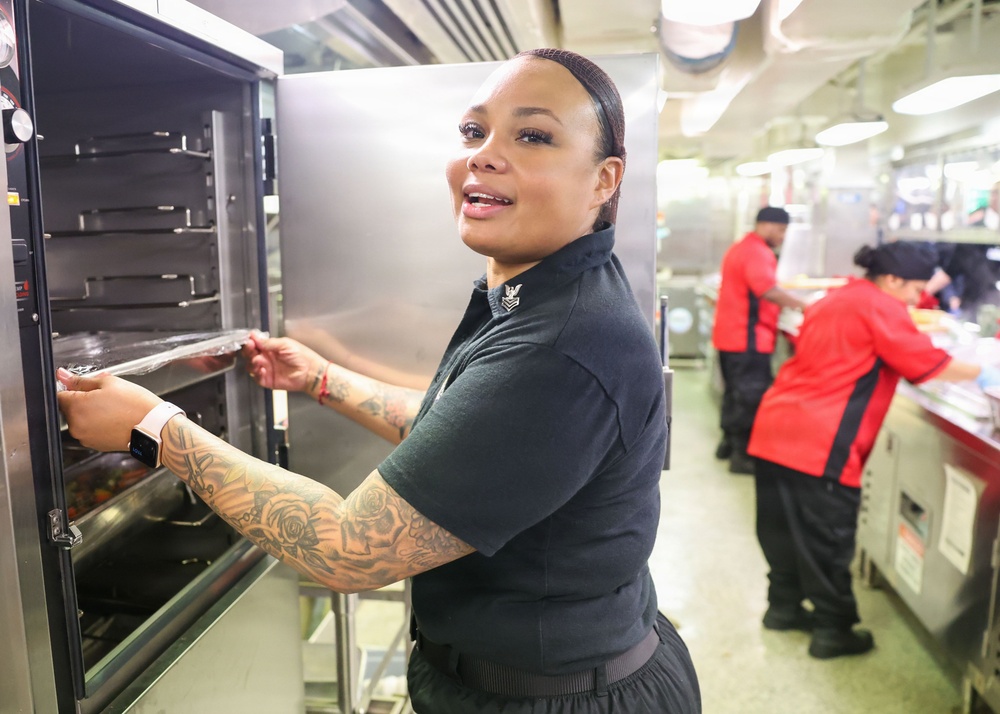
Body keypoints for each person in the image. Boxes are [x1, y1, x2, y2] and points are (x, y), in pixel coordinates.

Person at [57, 49, 700, 714]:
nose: (484, 155)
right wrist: (319, 379)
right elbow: (461, 432)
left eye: (532, 135)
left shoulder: (564, 344)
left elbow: (347, 551)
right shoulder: (538, 292)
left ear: (605, 179)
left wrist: (152, 429)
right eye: (474, 132)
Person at [747, 241, 1000, 660]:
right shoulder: (881, 307)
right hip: (820, 442)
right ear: (892, 279)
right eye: (914, 289)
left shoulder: (839, 296)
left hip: (775, 427)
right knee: (827, 537)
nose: (916, 299)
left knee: (780, 529)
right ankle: (833, 631)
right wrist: (983, 371)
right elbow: (926, 364)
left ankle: (783, 608)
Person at [711, 206, 807, 474]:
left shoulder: (741, 247)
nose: (782, 236)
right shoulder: (757, 252)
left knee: (734, 394)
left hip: (730, 336)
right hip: (748, 338)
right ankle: (742, 458)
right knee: (750, 397)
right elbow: (768, 291)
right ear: (767, 225)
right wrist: (806, 307)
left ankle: (727, 445)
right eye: (781, 229)